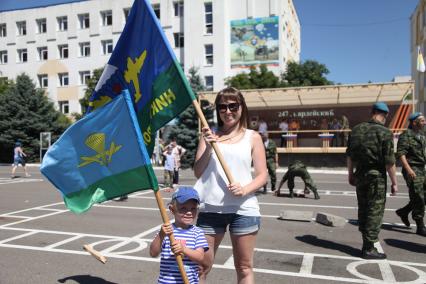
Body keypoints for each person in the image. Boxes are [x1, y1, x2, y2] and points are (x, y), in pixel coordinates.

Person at [193, 86, 267, 283]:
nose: (228, 111)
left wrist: (245, 189)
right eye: (222, 107)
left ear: (242, 107)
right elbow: (198, 172)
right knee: (201, 267)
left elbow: (262, 175)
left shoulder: (253, 137)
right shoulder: (209, 134)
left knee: (244, 267)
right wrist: (208, 146)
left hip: (244, 209)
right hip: (210, 209)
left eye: (233, 106)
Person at [346, 102, 398, 259]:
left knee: (363, 208)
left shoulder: (356, 130)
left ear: (372, 112)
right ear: (385, 115)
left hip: (360, 174)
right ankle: (369, 247)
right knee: (375, 210)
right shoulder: (385, 132)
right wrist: (395, 182)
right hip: (376, 176)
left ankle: (365, 241)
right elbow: (389, 162)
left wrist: (350, 174)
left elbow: (349, 155)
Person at [149, 187, 209, 284]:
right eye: (183, 209)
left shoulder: (197, 232)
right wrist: (161, 235)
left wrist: (184, 249)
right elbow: (153, 253)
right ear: (172, 210)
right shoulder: (166, 231)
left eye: (193, 209)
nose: (189, 213)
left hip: (190, 281)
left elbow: (200, 257)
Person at [395, 112, 426, 236]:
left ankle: (404, 211)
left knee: (423, 196)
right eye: (422, 120)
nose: (424, 122)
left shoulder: (422, 135)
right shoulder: (406, 136)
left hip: (422, 168)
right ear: (414, 122)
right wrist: (408, 170)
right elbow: (401, 154)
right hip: (412, 169)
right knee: (418, 196)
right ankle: (420, 226)